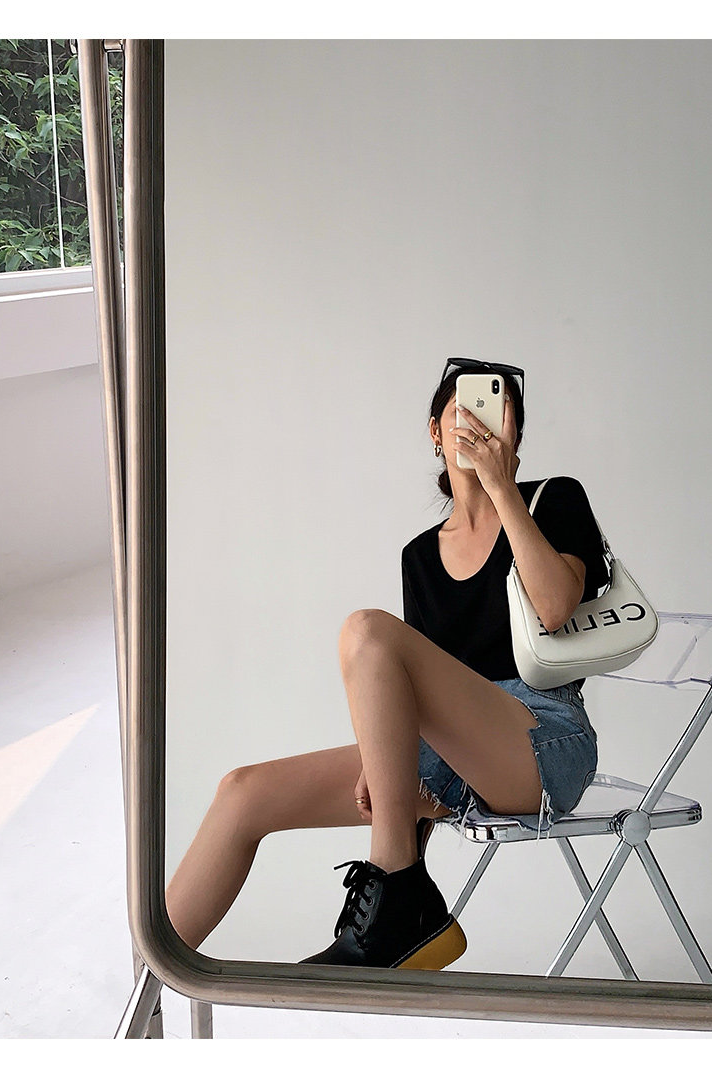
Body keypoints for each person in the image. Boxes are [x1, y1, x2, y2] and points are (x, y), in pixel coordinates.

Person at [164, 358, 606, 972]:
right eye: (462, 411)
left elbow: (554, 607)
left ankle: (395, 891)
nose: (477, 424)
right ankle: (147, 983)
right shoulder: (420, 557)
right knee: (242, 793)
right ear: (435, 431)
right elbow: (415, 694)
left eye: (495, 412)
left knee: (366, 631)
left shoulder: (553, 499)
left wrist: (502, 489)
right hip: (452, 758)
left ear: (515, 437)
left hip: (543, 745)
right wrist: (385, 762)